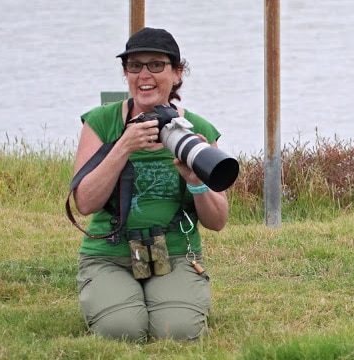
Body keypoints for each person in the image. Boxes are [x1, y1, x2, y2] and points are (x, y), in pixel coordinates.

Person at [71, 27, 229, 341]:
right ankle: (115, 297)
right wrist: (123, 147)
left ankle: (170, 298)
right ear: (126, 72)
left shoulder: (196, 130)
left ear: (177, 72)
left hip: (173, 253)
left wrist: (197, 182)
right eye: (135, 65)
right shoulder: (102, 122)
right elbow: (85, 203)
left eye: (156, 65)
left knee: (177, 332)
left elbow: (218, 221)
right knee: (123, 330)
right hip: (109, 254)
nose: (145, 75)